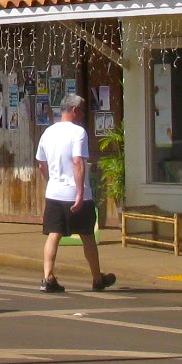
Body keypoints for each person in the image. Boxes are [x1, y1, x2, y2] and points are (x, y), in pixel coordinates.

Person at [35, 93, 115, 293]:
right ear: (74, 110)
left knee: (54, 233)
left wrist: (51, 181)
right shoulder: (78, 133)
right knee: (87, 234)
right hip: (76, 193)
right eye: (80, 110)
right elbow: (78, 161)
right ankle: (97, 278)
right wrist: (79, 193)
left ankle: (47, 276)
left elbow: (41, 164)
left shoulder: (48, 132)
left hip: (54, 192)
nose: (82, 114)